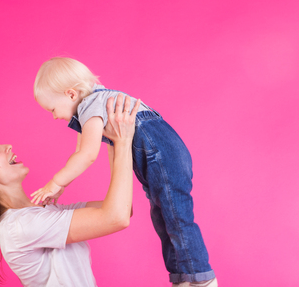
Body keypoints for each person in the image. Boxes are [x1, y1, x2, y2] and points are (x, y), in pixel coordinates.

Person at [31, 57, 217, 287]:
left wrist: (55, 183)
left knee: (178, 219)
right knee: (163, 219)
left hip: (162, 154)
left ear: (70, 94)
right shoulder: (95, 102)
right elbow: (79, 152)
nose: (54, 116)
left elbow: (87, 155)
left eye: (52, 109)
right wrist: (63, 185)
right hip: (159, 156)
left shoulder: (90, 105)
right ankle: (181, 278)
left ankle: (202, 279)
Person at [0, 94, 140, 287]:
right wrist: (122, 142)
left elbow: (122, 208)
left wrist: (112, 140)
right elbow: (116, 217)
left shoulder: (44, 214)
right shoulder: (17, 227)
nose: (7, 146)